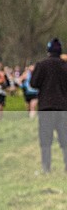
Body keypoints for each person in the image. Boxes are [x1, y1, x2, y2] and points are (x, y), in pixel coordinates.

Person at [30, 38, 67, 173]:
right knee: (65, 138)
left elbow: (33, 83)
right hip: (63, 107)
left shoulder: (42, 65)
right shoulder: (64, 65)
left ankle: (46, 167)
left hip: (46, 106)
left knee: (45, 139)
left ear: (48, 51)